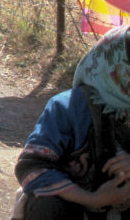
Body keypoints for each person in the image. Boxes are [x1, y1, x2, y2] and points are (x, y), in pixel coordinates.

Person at [14, 25, 130, 219]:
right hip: (74, 205)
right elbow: (32, 167)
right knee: (48, 205)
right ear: (116, 65)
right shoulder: (69, 108)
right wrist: (95, 199)